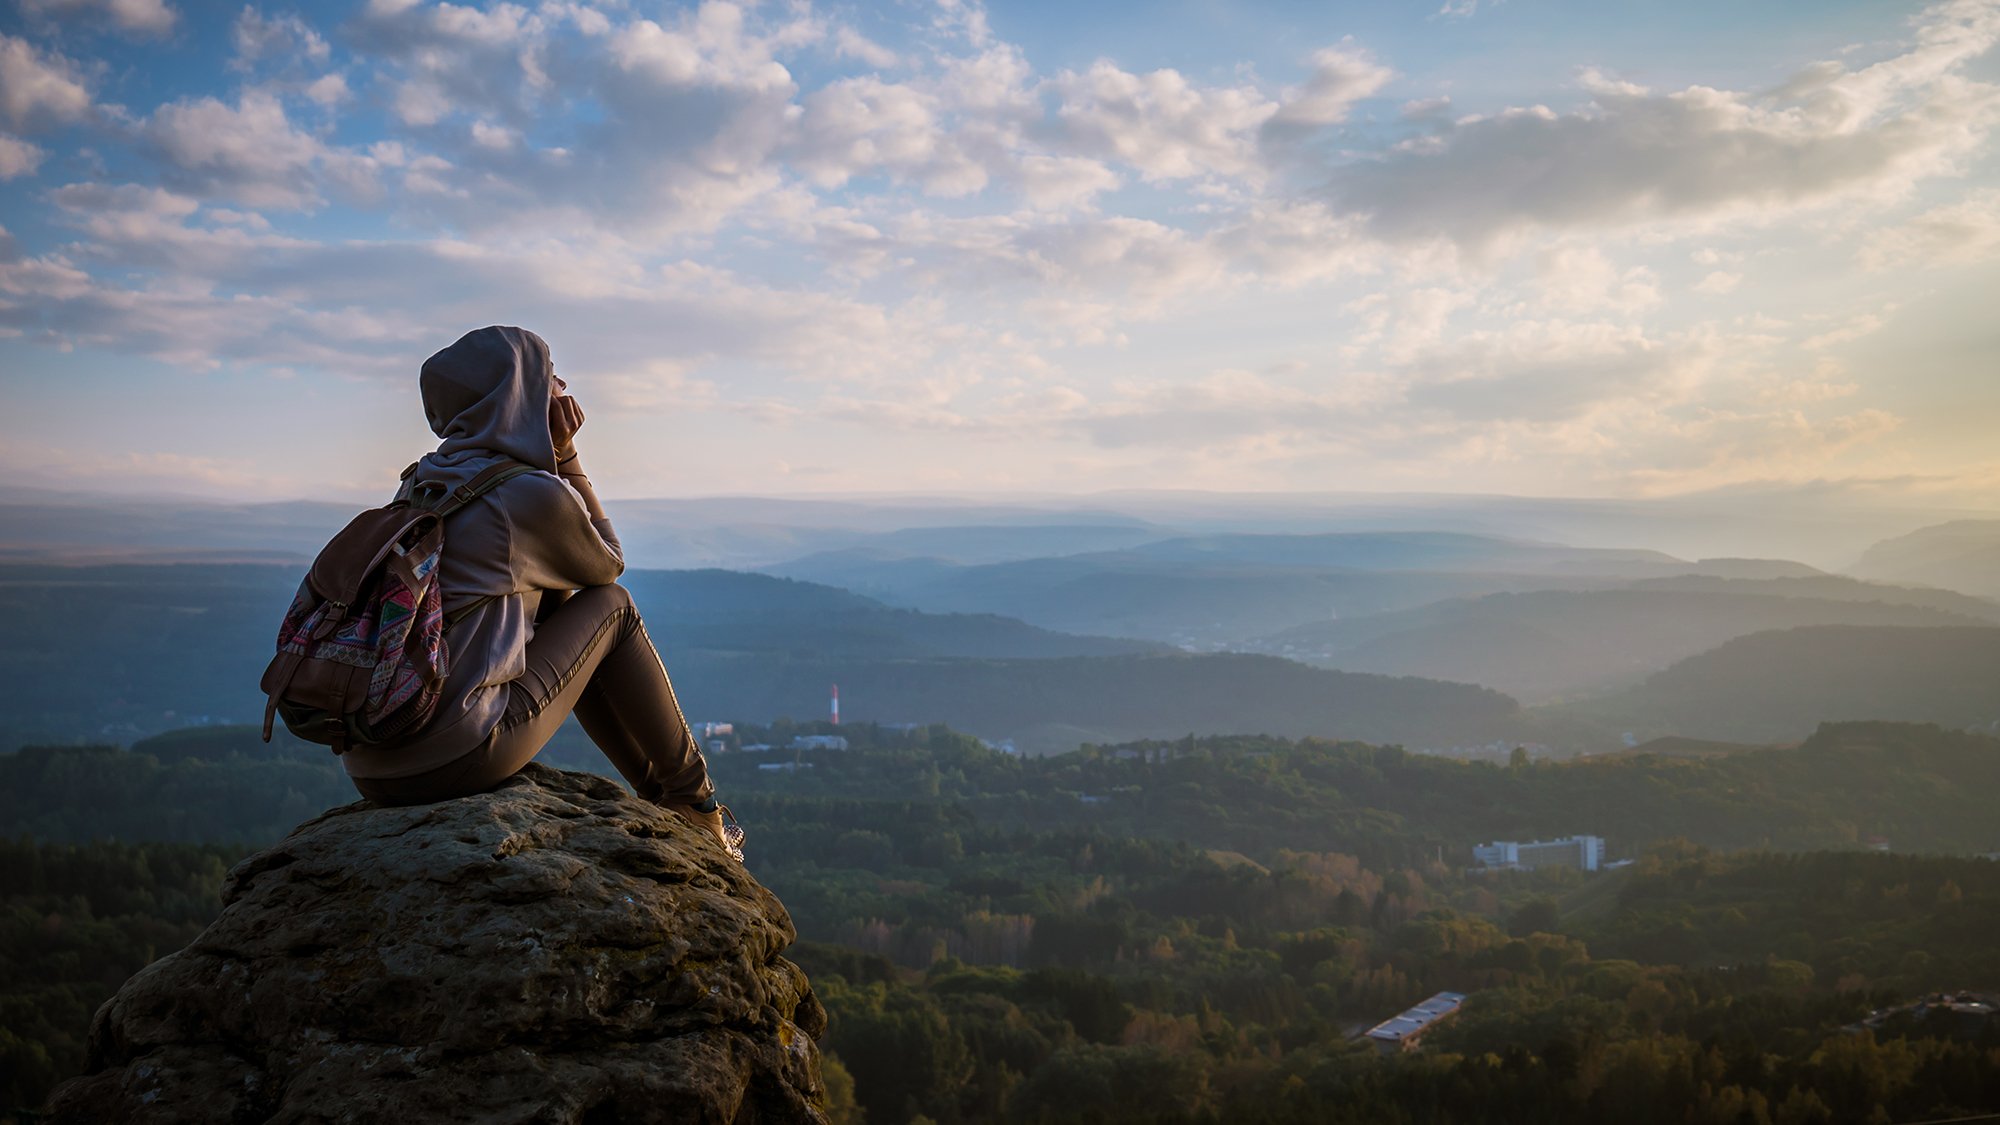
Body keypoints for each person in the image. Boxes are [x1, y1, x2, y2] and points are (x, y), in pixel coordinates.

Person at [339, 325, 740, 859]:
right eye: (550, 378)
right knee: (611, 610)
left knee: (567, 612)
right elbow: (609, 564)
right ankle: (694, 803)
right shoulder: (519, 493)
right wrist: (567, 456)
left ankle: (660, 797)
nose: (560, 390)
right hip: (454, 757)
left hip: (372, 762)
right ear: (519, 392)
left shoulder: (420, 483)